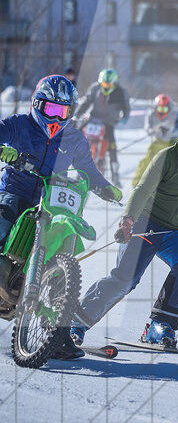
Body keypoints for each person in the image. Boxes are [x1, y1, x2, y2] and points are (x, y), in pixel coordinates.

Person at [72, 109, 178, 349]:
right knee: (126, 279)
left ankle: (160, 325)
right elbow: (142, 189)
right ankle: (74, 322)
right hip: (146, 223)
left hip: (176, 232)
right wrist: (128, 221)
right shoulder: (167, 157)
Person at [0, 75, 121, 359]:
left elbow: (88, 171)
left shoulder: (75, 140)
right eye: (51, 109)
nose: (56, 116)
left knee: (62, 253)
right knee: (2, 223)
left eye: (63, 111)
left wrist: (106, 188)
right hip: (16, 193)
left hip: (52, 201)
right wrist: (5, 152)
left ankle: (58, 333)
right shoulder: (18, 125)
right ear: (37, 104)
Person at [77, 68, 131, 185]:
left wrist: (124, 117)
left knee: (112, 147)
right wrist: (78, 113)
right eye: (104, 84)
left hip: (109, 122)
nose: (106, 86)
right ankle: (75, 158)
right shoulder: (95, 88)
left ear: (114, 83)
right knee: (77, 133)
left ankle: (115, 175)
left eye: (109, 84)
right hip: (93, 119)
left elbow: (126, 107)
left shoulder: (121, 92)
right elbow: (86, 101)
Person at [131, 95, 178, 187]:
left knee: (174, 164)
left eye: (164, 109)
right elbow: (148, 129)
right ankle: (137, 184)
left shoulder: (175, 114)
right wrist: (155, 129)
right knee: (146, 161)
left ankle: (176, 187)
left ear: (169, 107)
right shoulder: (151, 114)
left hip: (171, 142)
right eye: (159, 109)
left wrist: (169, 130)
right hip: (158, 141)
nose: (162, 111)